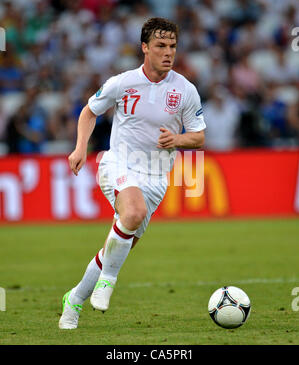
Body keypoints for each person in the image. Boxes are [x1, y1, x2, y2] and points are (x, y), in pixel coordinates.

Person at [58, 17, 206, 330]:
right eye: (161, 46)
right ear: (144, 48)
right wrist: (80, 148)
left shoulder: (185, 90)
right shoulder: (122, 83)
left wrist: (177, 139)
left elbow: (199, 136)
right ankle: (108, 282)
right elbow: (89, 111)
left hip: (156, 178)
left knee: (116, 247)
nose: (168, 52)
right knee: (133, 213)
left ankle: (73, 301)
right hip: (119, 164)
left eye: (173, 46)